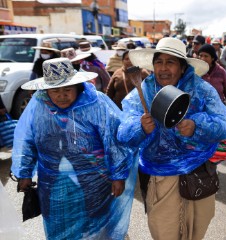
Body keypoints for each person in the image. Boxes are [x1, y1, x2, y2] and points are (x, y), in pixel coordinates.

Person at [117, 37, 226, 240]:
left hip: (198, 172)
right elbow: (122, 132)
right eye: (159, 62)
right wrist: (139, 127)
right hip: (158, 177)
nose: (163, 68)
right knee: (163, 232)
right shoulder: (142, 92)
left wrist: (197, 126)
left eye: (170, 62)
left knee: (195, 232)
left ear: (182, 67)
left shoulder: (202, 90)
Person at [11, 58, 138, 240]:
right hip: (53, 182)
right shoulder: (38, 107)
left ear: (78, 86)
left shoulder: (96, 104)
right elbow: (27, 141)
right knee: (58, 223)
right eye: (55, 90)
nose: (62, 95)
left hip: (96, 180)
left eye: (67, 89)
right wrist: (24, 173)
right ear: (47, 90)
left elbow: (113, 141)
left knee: (95, 223)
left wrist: (118, 175)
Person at [198, 44, 226, 119]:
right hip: (200, 111)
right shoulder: (196, 71)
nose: (202, 58)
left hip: (218, 111)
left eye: (206, 56)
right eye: (200, 55)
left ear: (212, 58)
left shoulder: (221, 72)